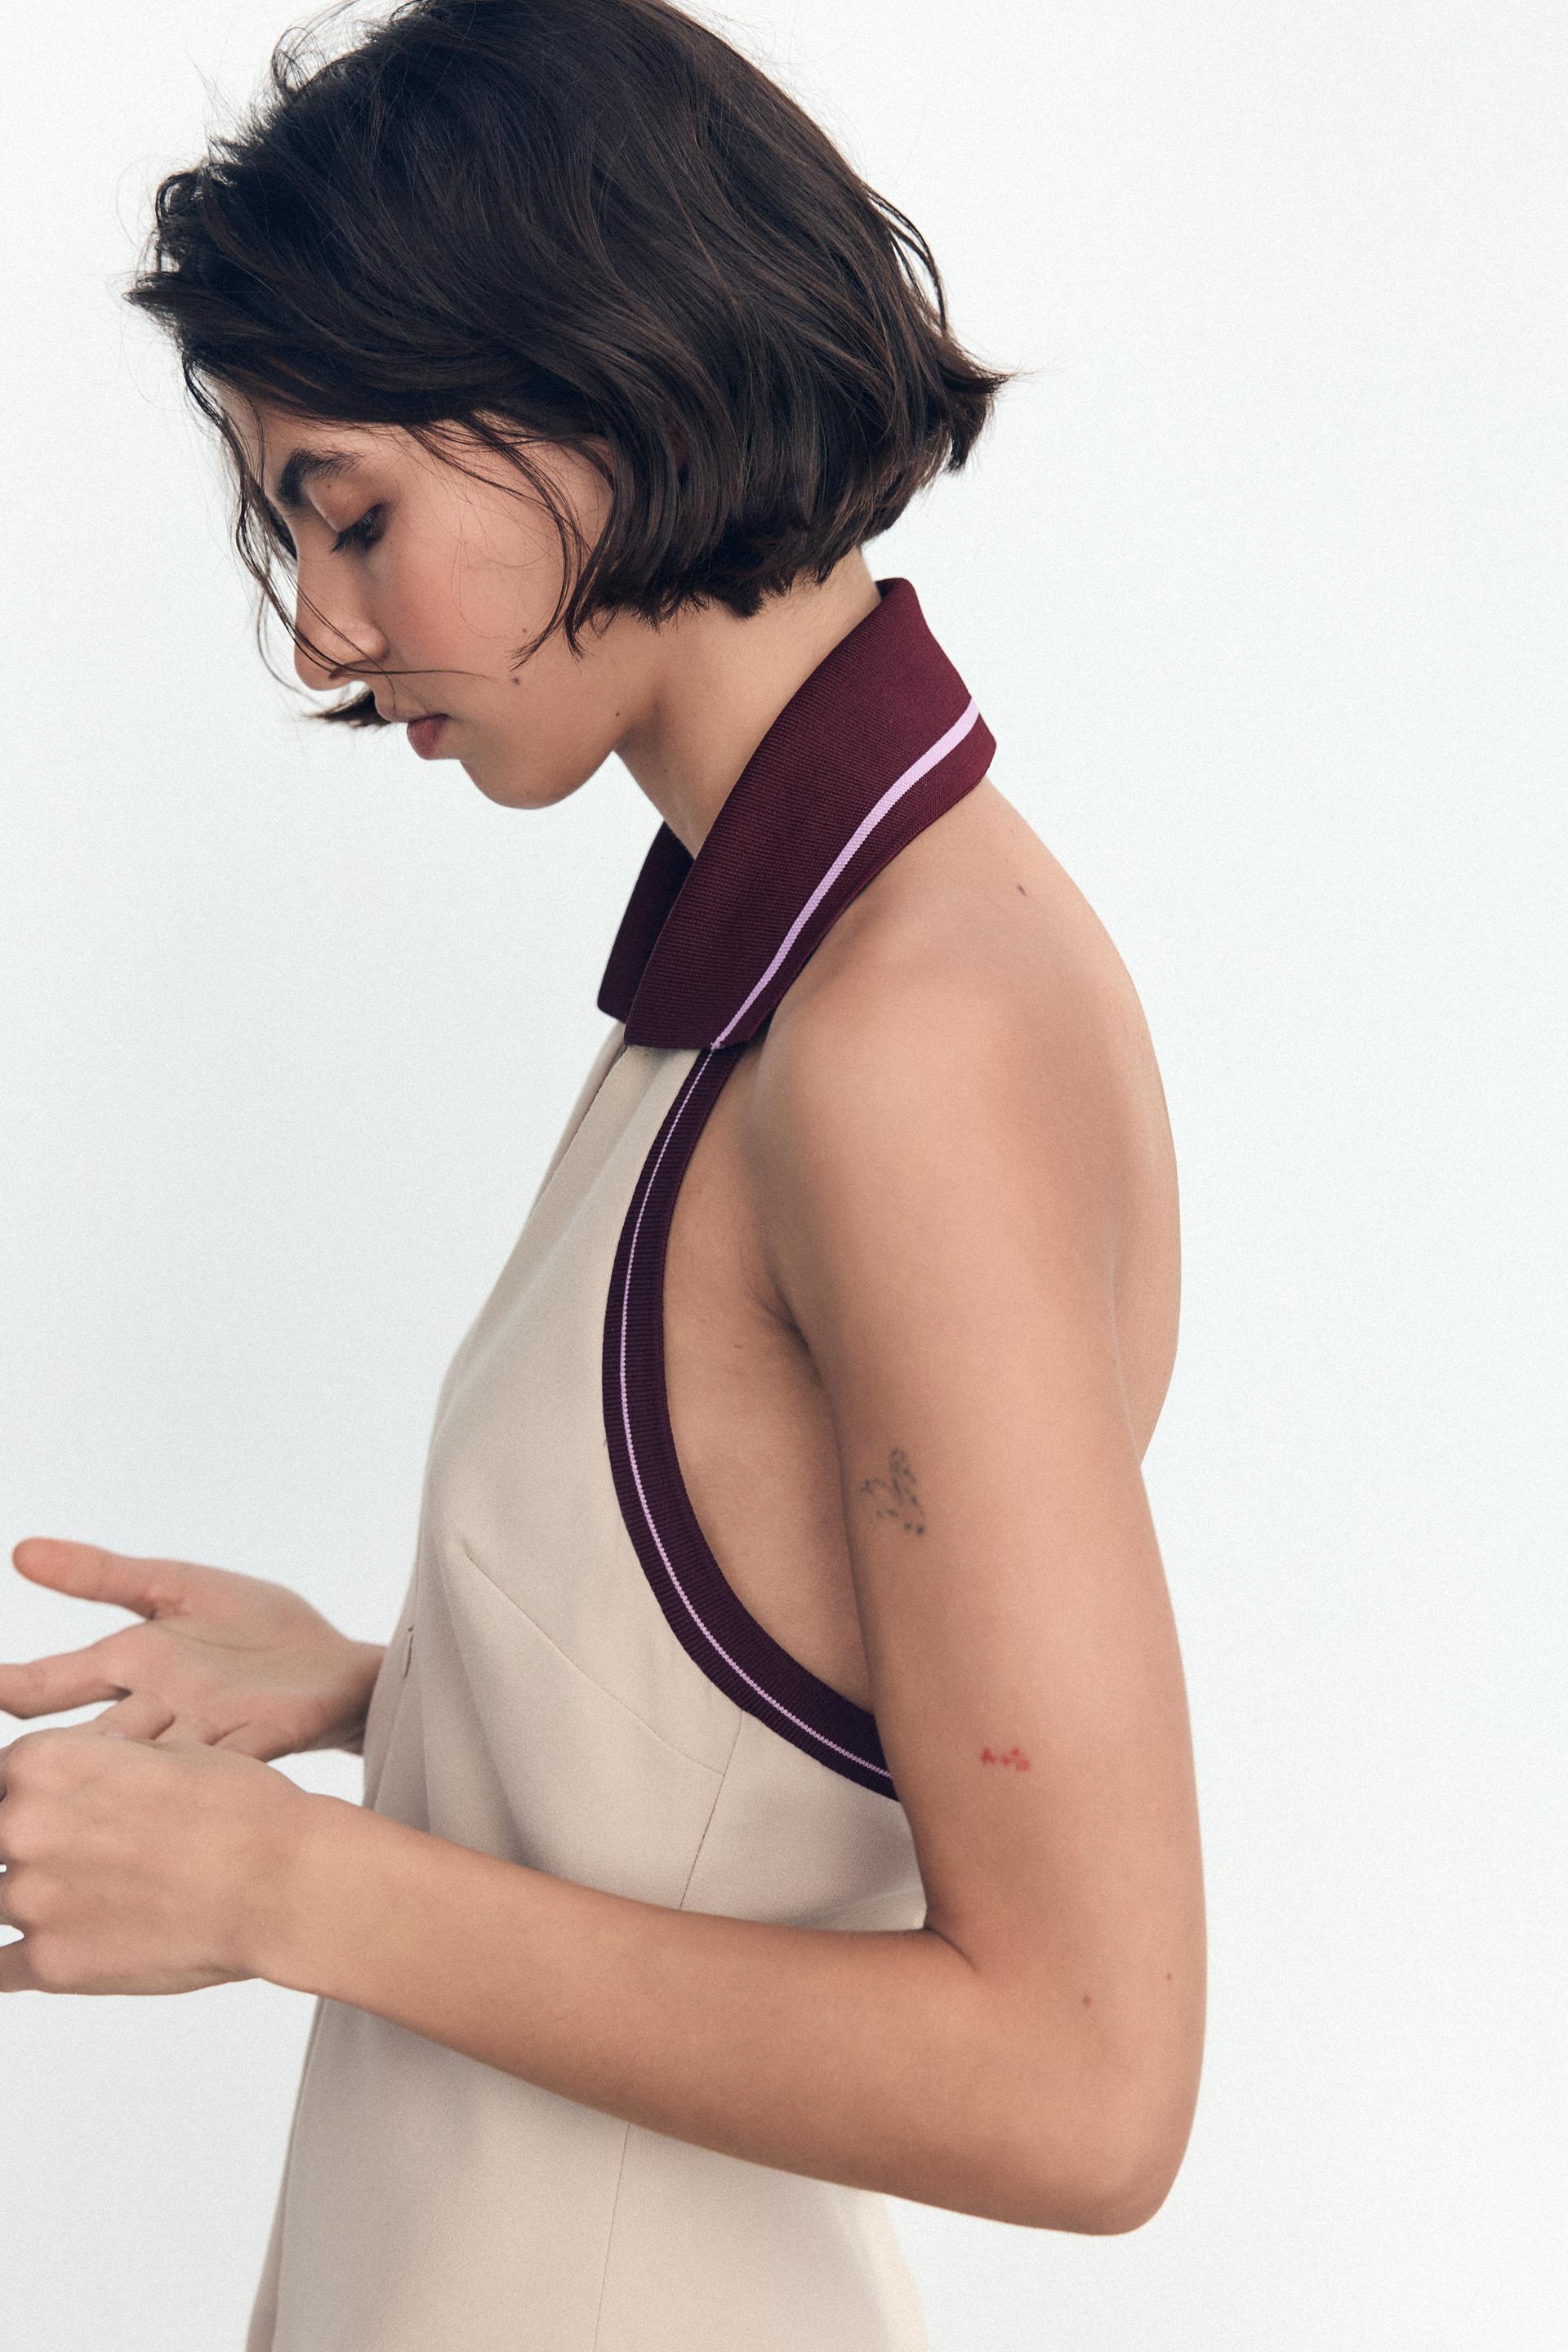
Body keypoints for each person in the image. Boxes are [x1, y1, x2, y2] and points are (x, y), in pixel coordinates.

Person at [0, 2, 1205, 2346]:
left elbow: (1086, 2083)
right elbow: (802, 1728)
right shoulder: (788, 950)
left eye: (352, 510)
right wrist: (413, 1695)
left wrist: (286, 1890)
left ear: (603, 383)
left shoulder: (909, 1038)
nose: (326, 633)